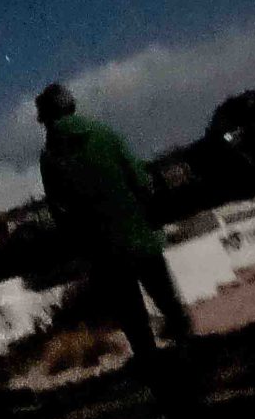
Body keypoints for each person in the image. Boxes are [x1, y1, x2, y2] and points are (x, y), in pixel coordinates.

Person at [35, 84, 196, 401]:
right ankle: (193, 363)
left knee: (135, 324)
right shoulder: (104, 134)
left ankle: (161, 388)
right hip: (139, 237)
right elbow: (141, 180)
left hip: (103, 253)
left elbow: (60, 211)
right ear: (72, 106)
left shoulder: (50, 157)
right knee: (170, 305)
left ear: (45, 117)